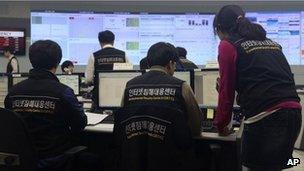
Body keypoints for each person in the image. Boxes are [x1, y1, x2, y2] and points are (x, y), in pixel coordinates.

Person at [213, 5, 302, 171]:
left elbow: (226, 91)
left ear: (219, 29)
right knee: (276, 166)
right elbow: (268, 80)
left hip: (265, 118)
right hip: (294, 113)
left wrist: (221, 125)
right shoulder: (272, 43)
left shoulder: (227, 45)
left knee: (250, 166)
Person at [4, 40, 99, 170]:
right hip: (56, 159)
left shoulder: (13, 92)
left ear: (32, 61)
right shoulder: (63, 92)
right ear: (57, 62)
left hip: (24, 160)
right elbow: (80, 123)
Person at [114, 42, 203, 170]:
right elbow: (196, 126)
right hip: (171, 160)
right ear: (171, 64)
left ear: (149, 63)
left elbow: (123, 121)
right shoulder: (181, 86)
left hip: (135, 158)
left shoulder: (130, 85)